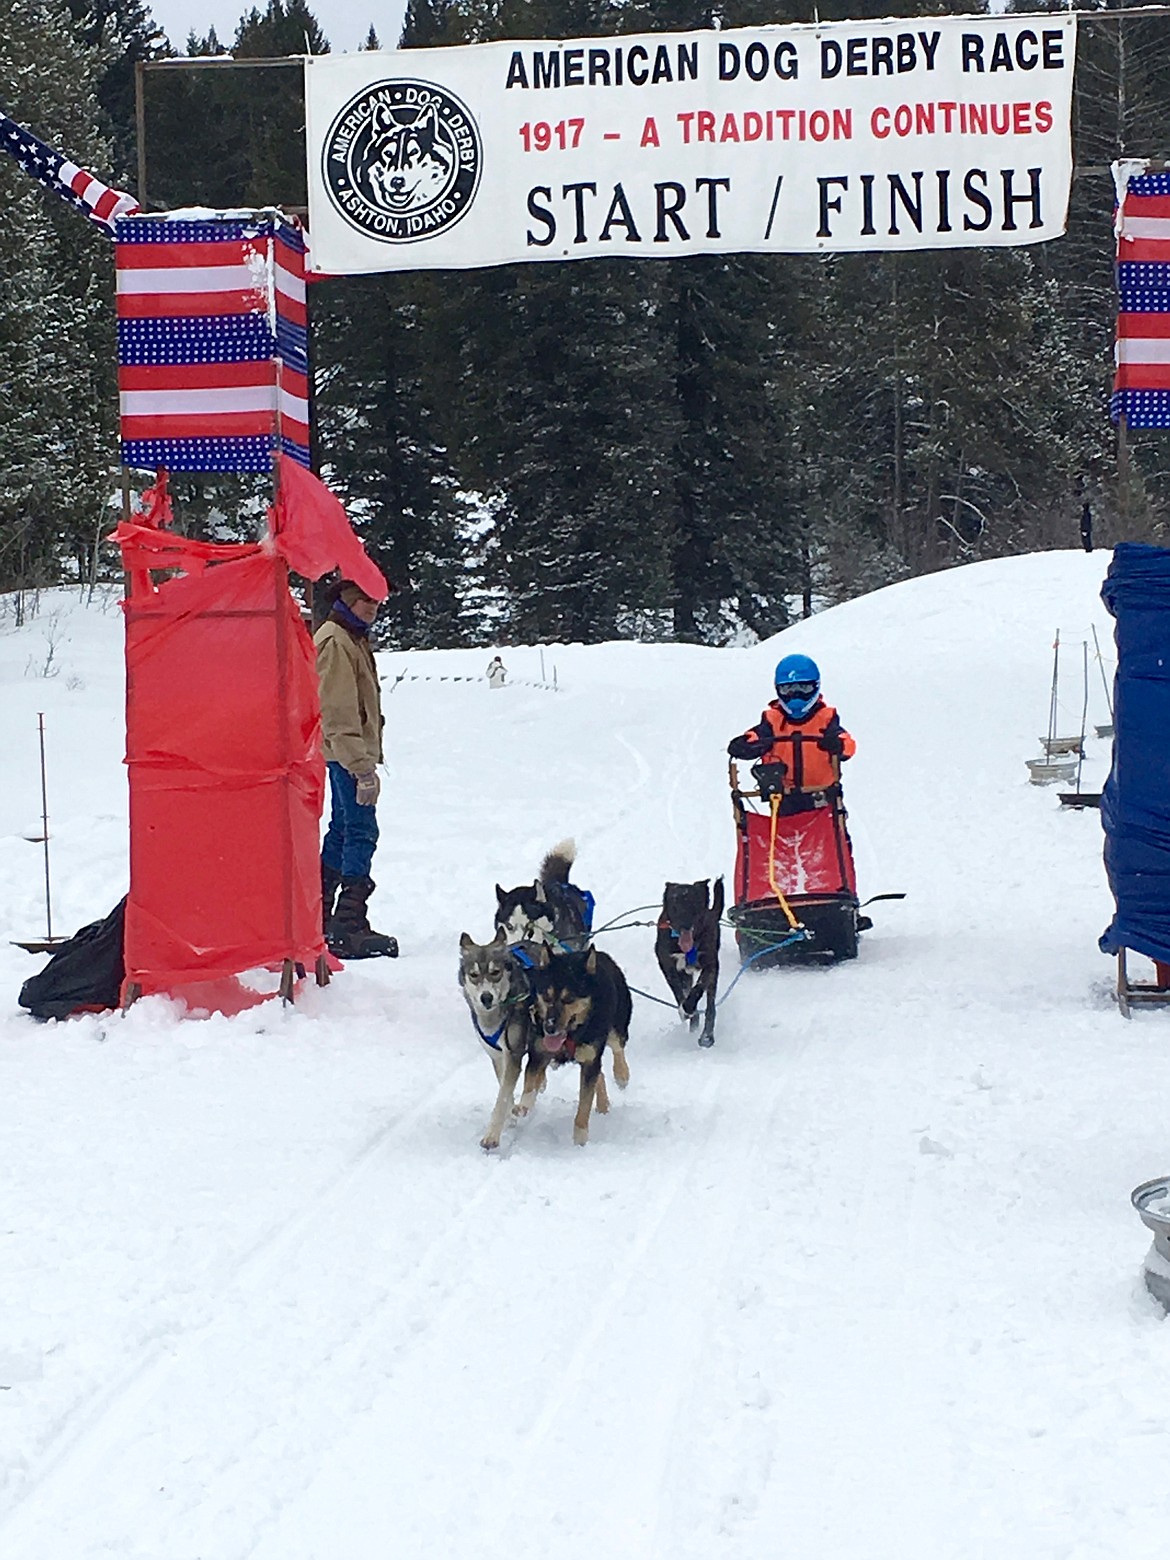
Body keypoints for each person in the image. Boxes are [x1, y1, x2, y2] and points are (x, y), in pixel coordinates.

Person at [315, 580, 397, 959]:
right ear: (347, 600)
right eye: (364, 598)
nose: (373, 605)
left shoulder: (352, 637)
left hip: (344, 753)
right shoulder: (337, 641)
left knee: (343, 829)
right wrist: (362, 768)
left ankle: (318, 916)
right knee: (361, 830)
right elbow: (338, 711)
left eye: (376, 599)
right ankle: (348, 924)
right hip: (346, 755)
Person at [727, 653, 855, 813]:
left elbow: (847, 744)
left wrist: (838, 745)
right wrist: (745, 744)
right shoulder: (772, 720)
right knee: (781, 836)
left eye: (803, 688)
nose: (796, 696)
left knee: (832, 836)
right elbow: (756, 736)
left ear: (815, 686)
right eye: (788, 689)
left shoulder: (826, 718)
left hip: (821, 796)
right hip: (783, 797)